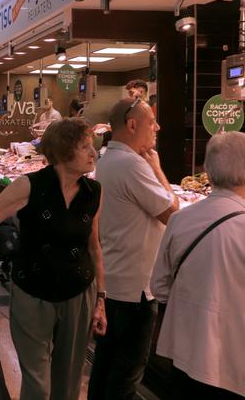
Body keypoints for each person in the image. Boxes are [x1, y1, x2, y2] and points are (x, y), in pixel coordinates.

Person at [0, 118, 107, 400]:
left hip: (79, 293)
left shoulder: (94, 192)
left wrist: (101, 299)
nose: (93, 153)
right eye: (85, 147)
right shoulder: (29, 186)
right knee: (37, 384)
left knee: (68, 383)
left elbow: (93, 247)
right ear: (63, 151)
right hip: (33, 292)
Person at [87, 98, 178, 400]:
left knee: (105, 366)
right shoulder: (132, 164)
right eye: (152, 121)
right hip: (136, 289)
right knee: (126, 375)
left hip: (113, 281)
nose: (157, 127)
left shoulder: (107, 158)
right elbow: (172, 212)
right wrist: (158, 168)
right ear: (132, 125)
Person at [151, 132, 245, 399]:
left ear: (209, 170)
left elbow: (159, 285)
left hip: (184, 353)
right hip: (234, 363)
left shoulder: (180, 220)